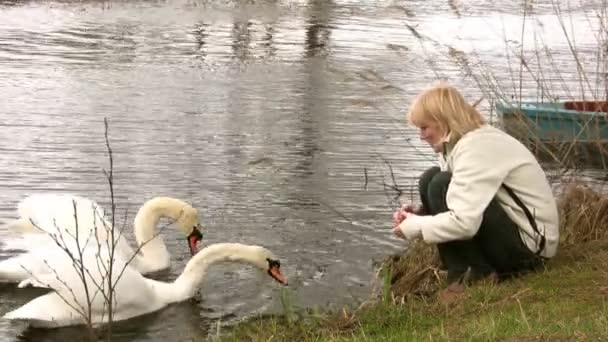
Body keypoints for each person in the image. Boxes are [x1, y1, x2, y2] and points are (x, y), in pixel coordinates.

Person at [392, 82, 559, 285]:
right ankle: (463, 273)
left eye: (424, 127)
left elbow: (464, 224)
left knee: (440, 183)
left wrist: (415, 227)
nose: (421, 136)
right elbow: (461, 201)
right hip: (514, 233)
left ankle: (472, 276)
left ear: (443, 121)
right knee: (431, 178)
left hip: (530, 252)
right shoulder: (455, 144)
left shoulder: (477, 147)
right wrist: (419, 215)